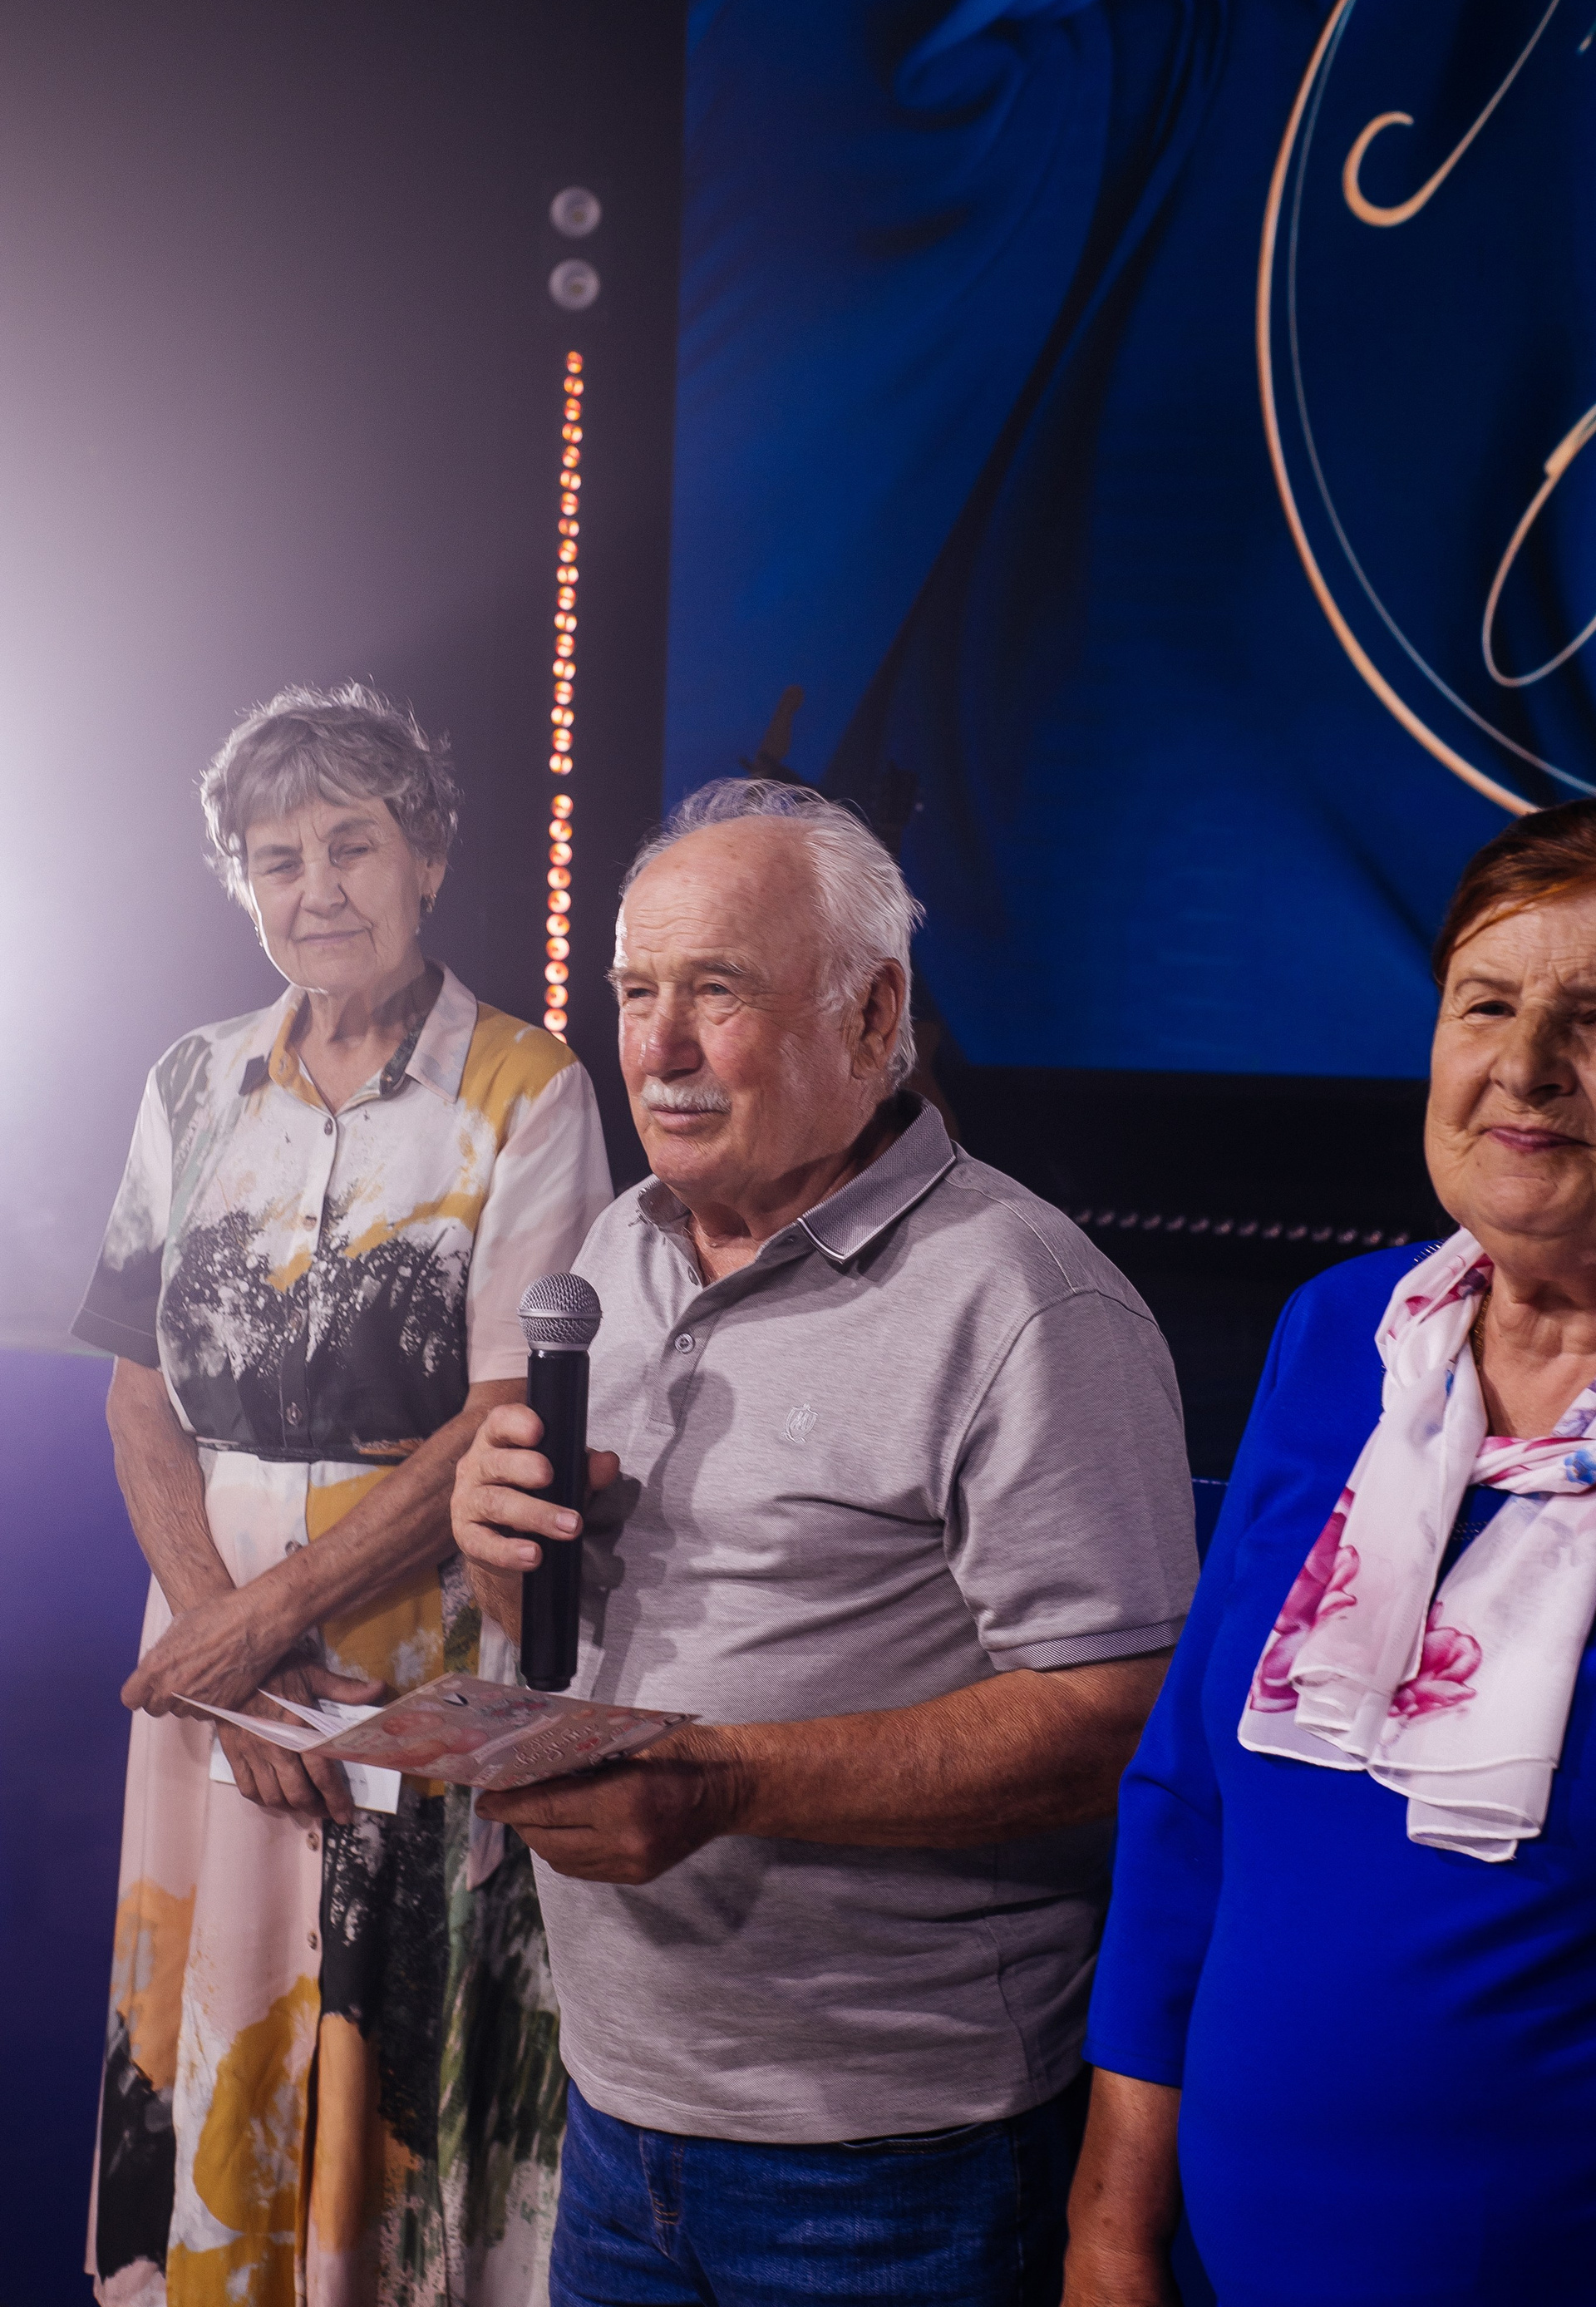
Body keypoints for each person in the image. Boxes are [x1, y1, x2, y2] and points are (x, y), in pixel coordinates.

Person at [450, 777, 1199, 2307]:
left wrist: (728, 1784)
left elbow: (1120, 1723)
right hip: (615, 2110)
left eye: (716, 993)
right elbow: (574, 1631)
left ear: (874, 1016)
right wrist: (497, 1551)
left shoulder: (1025, 1303)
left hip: (895, 2160)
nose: (657, 1049)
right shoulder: (615, 1251)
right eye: (635, 993)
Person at [74, 686, 612, 2307]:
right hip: (213, 1662)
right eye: (278, 858)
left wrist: (264, 1632)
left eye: (352, 846)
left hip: (414, 1656)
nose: (316, 889)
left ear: (428, 854)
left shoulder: (528, 1086)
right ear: (241, 882)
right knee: (221, 2009)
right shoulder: (188, 1082)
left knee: (393, 2060)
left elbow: (505, 1411)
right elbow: (138, 1394)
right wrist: (225, 1657)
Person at [1067, 799, 1596, 2307]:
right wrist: (1109, 2231)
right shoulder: (1339, 1340)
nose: (1525, 1066)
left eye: (1594, 1017)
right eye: (1485, 1004)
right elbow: (1187, 1800)